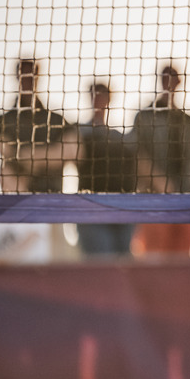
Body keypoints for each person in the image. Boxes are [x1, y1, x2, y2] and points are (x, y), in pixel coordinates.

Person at [130, 64, 190, 258]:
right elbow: (138, 156)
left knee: (183, 261)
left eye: (173, 77)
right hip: (155, 203)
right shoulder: (145, 116)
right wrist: (160, 182)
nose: (169, 82)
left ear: (179, 82)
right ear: (160, 80)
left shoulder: (189, 121)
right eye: (165, 77)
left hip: (186, 202)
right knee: (156, 261)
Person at [0, 57, 75, 192]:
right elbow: (8, 153)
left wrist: (30, 156)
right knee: (6, 170)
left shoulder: (57, 120)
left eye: (31, 74)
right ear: (17, 77)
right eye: (24, 74)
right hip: (19, 194)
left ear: (37, 77)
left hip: (52, 193)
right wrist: (47, 156)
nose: (27, 79)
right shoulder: (2, 121)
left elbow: (71, 152)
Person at [75, 81, 137, 257]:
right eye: (95, 95)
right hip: (91, 208)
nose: (99, 100)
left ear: (109, 100)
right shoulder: (79, 132)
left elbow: (138, 165)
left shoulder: (119, 137)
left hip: (122, 209)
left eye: (103, 95)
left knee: (124, 263)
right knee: (101, 262)